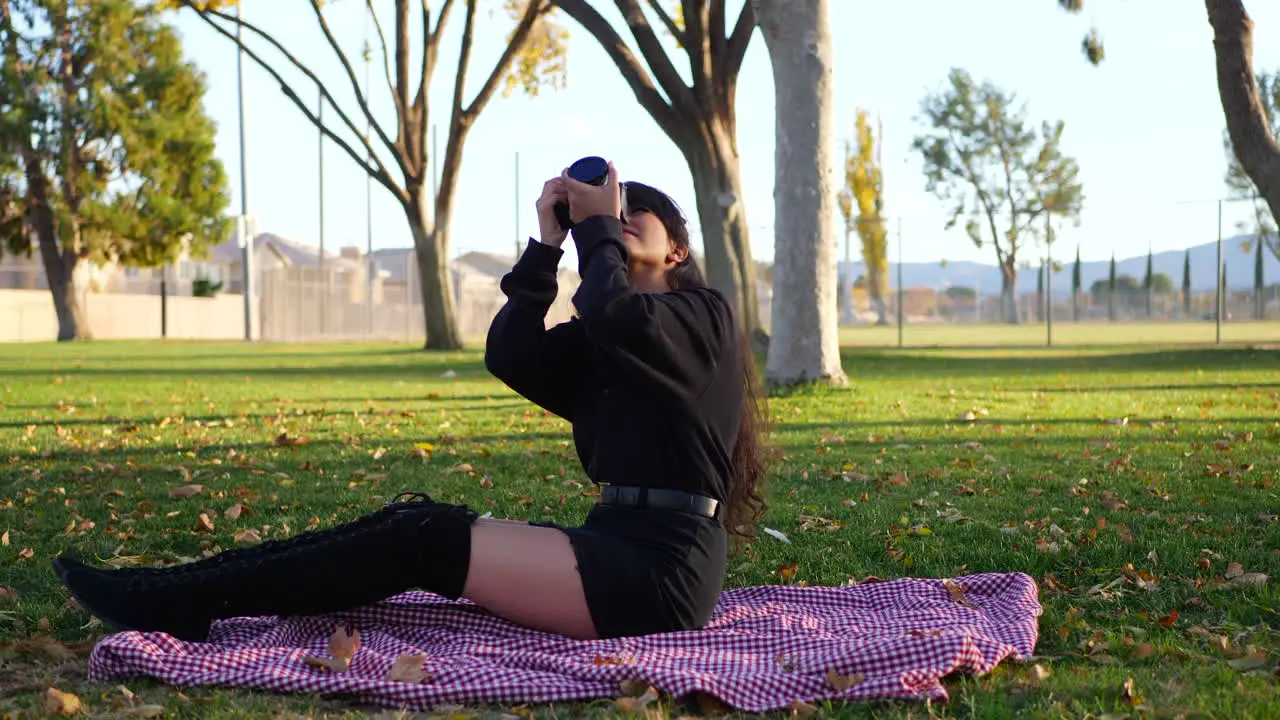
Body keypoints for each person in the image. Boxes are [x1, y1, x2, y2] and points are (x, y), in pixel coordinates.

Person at [52, 163, 768, 642]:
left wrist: (599, 227)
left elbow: (617, 311)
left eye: (639, 215)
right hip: (611, 538)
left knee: (423, 538)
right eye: (619, 212)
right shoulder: (605, 336)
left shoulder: (705, 317)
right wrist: (548, 247)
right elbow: (511, 356)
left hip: (662, 574)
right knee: (410, 521)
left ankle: (181, 604)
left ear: (677, 251)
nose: (622, 219)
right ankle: (179, 591)